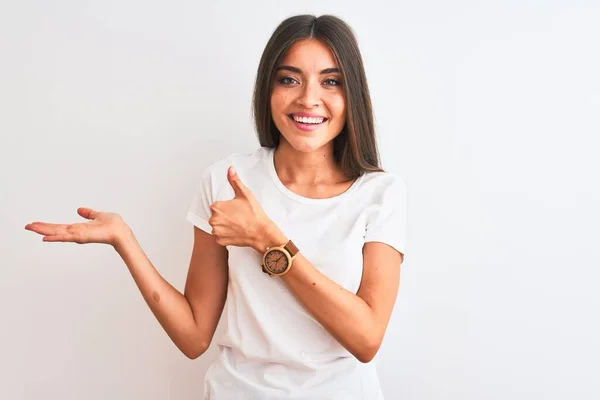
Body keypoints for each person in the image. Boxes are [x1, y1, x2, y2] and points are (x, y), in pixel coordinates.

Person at [24, 14, 407, 400]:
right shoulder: (225, 179)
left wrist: (267, 239)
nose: (308, 98)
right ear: (268, 90)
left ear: (352, 92)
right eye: (289, 79)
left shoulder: (379, 193)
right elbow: (193, 336)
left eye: (331, 81)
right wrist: (125, 241)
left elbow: (366, 339)